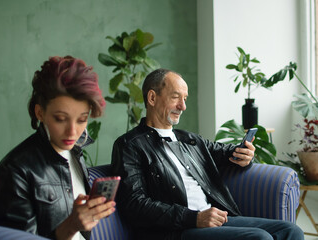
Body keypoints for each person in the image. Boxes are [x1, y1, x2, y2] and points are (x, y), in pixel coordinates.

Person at [111, 68, 304, 240]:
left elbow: (227, 152)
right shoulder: (129, 145)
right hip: (175, 230)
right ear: (152, 98)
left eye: (185, 99)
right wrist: (193, 218)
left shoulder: (190, 140)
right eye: (175, 97)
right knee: (258, 238)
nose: (183, 106)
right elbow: (135, 204)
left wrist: (246, 155)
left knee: (291, 231)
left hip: (213, 220)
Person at [0, 56, 116, 240]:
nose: (73, 132)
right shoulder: (14, 170)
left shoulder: (75, 153)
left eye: (82, 119)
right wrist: (71, 225)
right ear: (40, 112)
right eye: (60, 118)